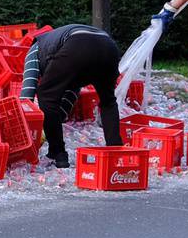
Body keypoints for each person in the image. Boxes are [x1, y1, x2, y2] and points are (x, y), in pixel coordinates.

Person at [18, 23, 123, 171]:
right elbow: (65, 104)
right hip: (109, 47)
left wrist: (23, 131)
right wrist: (49, 125)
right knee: (108, 101)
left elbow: (27, 97)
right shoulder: (62, 57)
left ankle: (57, 154)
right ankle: (116, 152)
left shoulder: (34, 50)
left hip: (78, 44)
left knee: (46, 95)